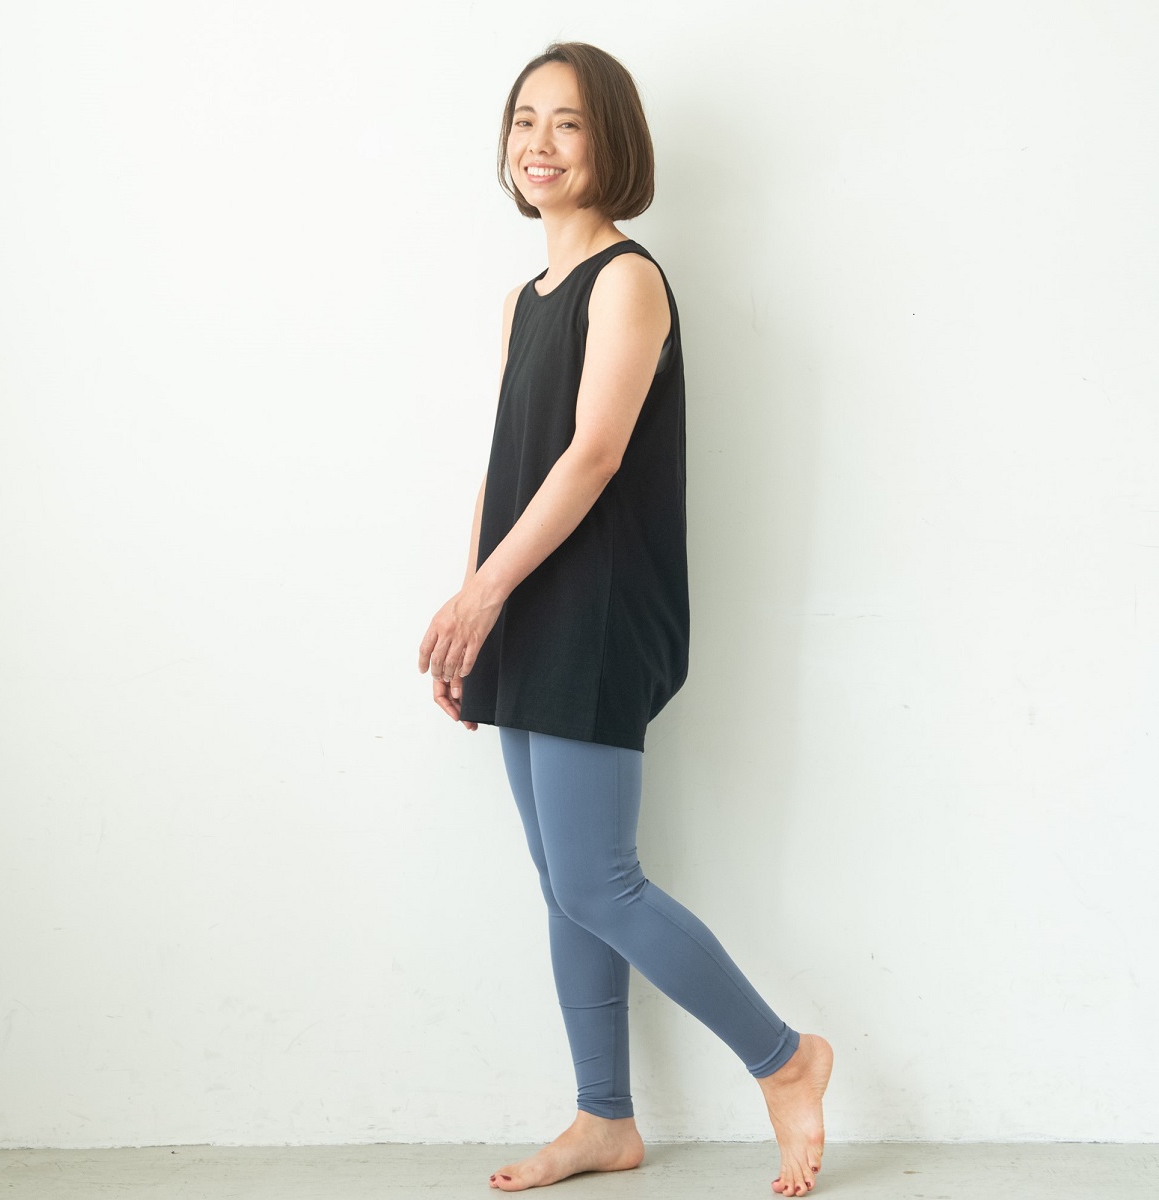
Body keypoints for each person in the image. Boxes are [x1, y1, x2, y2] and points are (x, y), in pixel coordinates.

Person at [418, 42, 832, 1197]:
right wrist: (469, 611)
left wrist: (486, 593)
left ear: (612, 143)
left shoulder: (628, 279)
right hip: (524, 602)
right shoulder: (525, 300)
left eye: (568, 123)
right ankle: (604, 1117)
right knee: (565, 883)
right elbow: (509, 464)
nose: (540, 143)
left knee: (600, 880)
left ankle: (786, 1059)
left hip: (598, 610)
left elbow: (594, 456)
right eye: (525, 120)